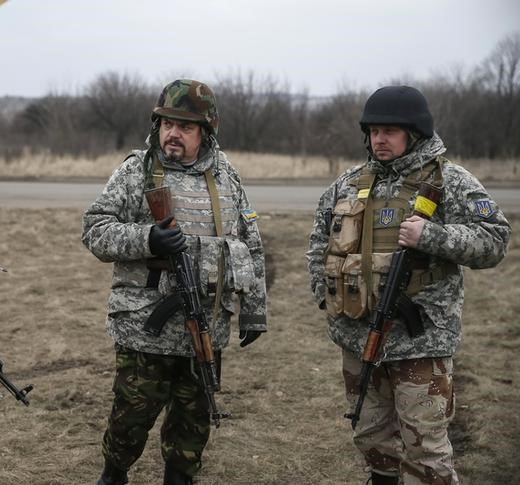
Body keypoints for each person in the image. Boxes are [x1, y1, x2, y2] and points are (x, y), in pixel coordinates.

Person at [306, 85, 511, 485]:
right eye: (374, 131)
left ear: (414, 133)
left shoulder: (449, 180)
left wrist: (432, 236)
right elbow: (319, 244)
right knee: (371, 440)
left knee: (425, 450)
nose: (379, 139)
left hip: (421, 341)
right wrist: (326, 296)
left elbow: (495, 241)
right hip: (358, 335)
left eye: (390, 131)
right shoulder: (349, 183)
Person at [82, 79, 268, 485]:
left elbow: (250, 245)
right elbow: (94, 230)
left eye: (184, 126)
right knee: (129, 421)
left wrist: (255, 313)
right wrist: (147, 238)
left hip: (206, 328)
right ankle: (113, 474)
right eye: (166, 123)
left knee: (191, 429)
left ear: (206, 132)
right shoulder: (137, 171)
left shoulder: (226, 179)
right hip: (144, 329)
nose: (172, 133)